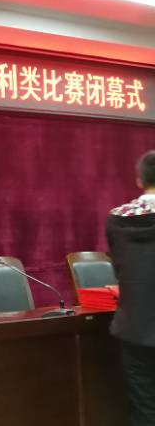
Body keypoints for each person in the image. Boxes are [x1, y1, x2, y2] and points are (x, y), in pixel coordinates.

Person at [106, 150, 155, 426]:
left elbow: (119, 268)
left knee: (144, 408)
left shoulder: (117, 219)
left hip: (135, 326)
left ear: (139, 180)